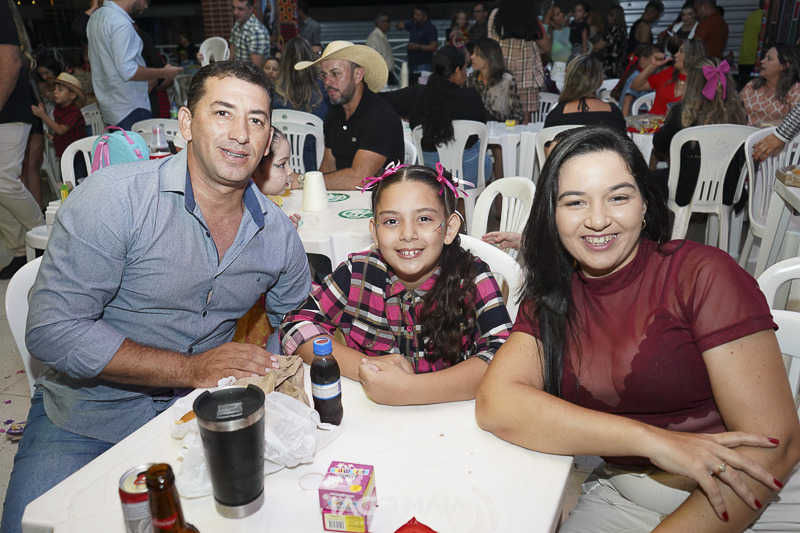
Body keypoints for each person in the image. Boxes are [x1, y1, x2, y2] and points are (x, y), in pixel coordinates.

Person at [0, 60, 312, 533]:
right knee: (32, 526)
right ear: (186, 123)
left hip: (202, 416)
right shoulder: (114, 199)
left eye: (256, 120)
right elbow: (52, 330)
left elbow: (296, 319)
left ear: (269, 141)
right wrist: (189, 369)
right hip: (87, 418)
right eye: (222, 113)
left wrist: (269, 372)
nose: (240, 134)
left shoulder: (277, 235)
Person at [476, 126, 800, 533]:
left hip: (748, 496)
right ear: (552, 215)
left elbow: (776, 447)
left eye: (618, 197)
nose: (598, 220)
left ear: (645, 203)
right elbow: (497, 403)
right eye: (575, 202)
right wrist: (653, 441)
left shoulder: (701, 274)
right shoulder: (552, 297)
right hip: (624, 493)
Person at [280, 164, 512, 406]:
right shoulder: (358, 273)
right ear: (375, 231)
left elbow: (504, 358)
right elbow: (295, 325)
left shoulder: (473, 278)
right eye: (391, 221)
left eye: (424, 219)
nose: (407, 234)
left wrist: (411, 390)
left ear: (449, 228)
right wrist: (365, 366)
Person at [295, 41, 404, 190]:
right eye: (324, 75)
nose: (327, 82)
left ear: (358, 75)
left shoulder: (380, 116)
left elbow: (361, 179)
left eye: (335, 74)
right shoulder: (334, 114)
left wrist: (304, 181)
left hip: (379, 200)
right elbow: (328, 167)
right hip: (344, 199)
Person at [384, 46, 490, 187]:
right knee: (483, 154)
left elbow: (380, 101)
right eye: (464, 69)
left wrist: (408, 113)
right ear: (457, 71)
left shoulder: (415, 95)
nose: (466, 74)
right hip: (471, 176)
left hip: (431, 177)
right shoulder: (472, 97)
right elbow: (482, 124)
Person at [651, 56, 747, 206]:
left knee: (645, 180)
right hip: (727, 187)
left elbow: (659, 144)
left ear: (692, 83)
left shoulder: (682, 112)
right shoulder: (737, 110)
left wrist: (667, 124)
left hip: (687, 188)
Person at [0, 0, 44, 280]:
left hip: (9, 110)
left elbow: (11, 61)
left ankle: (50, 237)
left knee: (4, 180)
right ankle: (19, 250)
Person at [87, 0, 182, 130]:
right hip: (130, 106)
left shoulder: (96, 17)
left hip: (111, 106)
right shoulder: (120, 22)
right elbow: (128, 71)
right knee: (138, 143)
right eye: (145, 1)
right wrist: (165, 73)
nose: (146, 6)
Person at [488, 0, 550, 124]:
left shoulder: (496, 15)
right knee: (523, 125)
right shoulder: (530, 19)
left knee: (499, 122)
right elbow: (546, 47)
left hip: (501, 76)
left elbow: (490, 46)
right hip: (526, 78)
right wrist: (529, 49)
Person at [544, 54, 626, 134]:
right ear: (600, 82)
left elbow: (545, 140)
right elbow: (623, 141)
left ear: (569, 80)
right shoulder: (614, 113)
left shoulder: (556, 114)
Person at [630, 38, 707, 116]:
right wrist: (653, 65)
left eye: (681, 52)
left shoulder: (702, 83)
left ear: (693, 57)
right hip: (654, 122)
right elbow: (635, 86)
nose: (676, 55)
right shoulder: (668, 73)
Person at [30, 73, 88, 176]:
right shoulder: (59, 108)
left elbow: (61, 130)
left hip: (76, 154)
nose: (55, 92)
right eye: (54, 89)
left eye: (60, 90)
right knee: (65, 179)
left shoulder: (73, 111)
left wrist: (43, 115)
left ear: (72, 95)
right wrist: (55, 138)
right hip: (65, 153)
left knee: (79, 180)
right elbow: (64, 132)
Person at [740, 44, 800, 127]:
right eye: (764, 58)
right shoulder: (752, 85)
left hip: (771, 135)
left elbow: (797, 120)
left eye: (769, 59)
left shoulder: (795, 90)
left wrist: (761, 126)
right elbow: (734, 110)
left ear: (784, 66)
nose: (762, 61)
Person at [252, 128, 301, 227]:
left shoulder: (269, 204)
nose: (290, 171)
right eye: (282, 164)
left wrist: (287, 231)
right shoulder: (252, 217)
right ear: (253, 171)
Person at [467, 37, 524, 123]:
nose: (472, 57)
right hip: (478, 127)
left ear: (489, 58)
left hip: (501, 127)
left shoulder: (506, 81)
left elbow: (518, 113)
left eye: (477, 54)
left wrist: (508, 124)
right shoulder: (472, 80)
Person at [397, 4, 438, 74]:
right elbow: (400, 25)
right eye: (414, 14)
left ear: (425, 17)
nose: (415, 16)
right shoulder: (413, 24)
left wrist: (417, 46)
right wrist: (399, 25)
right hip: (412, 63)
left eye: (418, 15)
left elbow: (434, 47)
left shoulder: (430, 28)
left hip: (424, 64)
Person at [592, 5, 628, 79]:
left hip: (610, 64)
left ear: (613, 17)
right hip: (620, 63)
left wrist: (587, 46)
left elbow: (600, 46)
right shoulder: (623, 31)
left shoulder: (614, 30)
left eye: (609, 15)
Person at [230, 0, 270, 67]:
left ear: (251, 9)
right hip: (238, 71)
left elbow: (255, 68)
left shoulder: (256, 31)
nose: (235, 12)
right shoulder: (237, 25)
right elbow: (232, 55)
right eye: (233, 8)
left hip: (250, 73)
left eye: (240, 9)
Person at [738, 1, 764, 88]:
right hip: (754, 61)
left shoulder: (751, 16)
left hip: (743, 60)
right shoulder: (763, 17)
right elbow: (762, 38)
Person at [366, 12, 394, 78]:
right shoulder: (374, 38)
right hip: (381, 75)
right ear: (382, 22)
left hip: (388, 74)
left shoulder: (382, 36)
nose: (390, 24)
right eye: (388, 21)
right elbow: (373, 60)